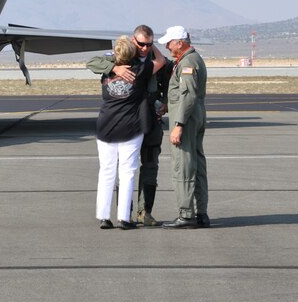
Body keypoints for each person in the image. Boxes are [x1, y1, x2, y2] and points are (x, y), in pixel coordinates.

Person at [87, 25, 170, 226]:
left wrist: (113, 68)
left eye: (149, 44)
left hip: (108, 125)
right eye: (141, 44)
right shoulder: (138, 70)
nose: (145, 48)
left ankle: (106, 216)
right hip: (133, 125)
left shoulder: (109, 71)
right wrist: (115, 66)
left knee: (108, 170)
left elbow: (92, 63)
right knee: (127, 172)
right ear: (134, 42)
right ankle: (124, 217)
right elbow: (160, 61)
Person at [158, 25, 210, 229]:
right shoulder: (191, 59)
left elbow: (188, 96)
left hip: (187, 120)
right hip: (194, 116)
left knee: (184, 166)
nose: (168, 47)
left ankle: (186, 215)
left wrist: (178, 125)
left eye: (170, 43)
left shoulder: (187, 62)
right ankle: (201, 213)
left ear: (180, 42)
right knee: (197, 165)